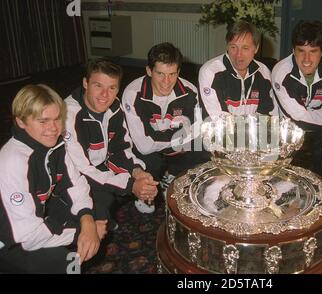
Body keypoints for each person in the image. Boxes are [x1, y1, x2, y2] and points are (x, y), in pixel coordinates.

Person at [0, 84, 106, 273]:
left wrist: (87, 220)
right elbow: (29, 237)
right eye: (43, 121)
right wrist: (81, 233)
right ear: (21, 122)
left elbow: (75, 184)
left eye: (57, 118)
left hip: (36, 216)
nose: (53, 128)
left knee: (97, 210)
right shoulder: (13, 161)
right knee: (67, 264)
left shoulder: (54, 145)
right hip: (9, 242)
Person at [64, 59, 158, 226]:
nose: (105, 95)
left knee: (151, 165)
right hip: (72, 177)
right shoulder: (70, 115)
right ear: (85, 83)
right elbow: (81, 170)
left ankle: (126, 194)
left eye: (112, 88)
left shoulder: (114, 106)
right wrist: (130, 186)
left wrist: (137, 173)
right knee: (102, 208)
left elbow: (120, 147)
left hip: (102, 163)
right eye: (98, 86)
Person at [122, 42, 209, 194]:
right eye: (160, 74)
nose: (166, 82)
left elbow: (197, 132)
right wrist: (181, 136)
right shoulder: (132, 94)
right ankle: (146, 195)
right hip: (150, 153)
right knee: (151, 161)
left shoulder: (190, 92)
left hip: (177, 149)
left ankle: (173, 175)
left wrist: (159, 138)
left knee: (204, 150)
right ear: (149, 71)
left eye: (172, 74)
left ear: (178, 72)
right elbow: (144, 146)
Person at [271, 20, 322, 177]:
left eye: (313, 51)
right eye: (301, 51)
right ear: (293, 50)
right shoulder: (281, 72)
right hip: (287, 128)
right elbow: (297, 118)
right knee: (282, 176)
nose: (306, 59)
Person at [198, 20, 276, 117]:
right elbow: (218, 119)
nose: (238, 55)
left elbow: (268, 113)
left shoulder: (264, 73)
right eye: (233, 47)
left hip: (253, 131)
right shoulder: (211, 72)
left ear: (256, 48)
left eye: (245, 48)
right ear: (227, 46)